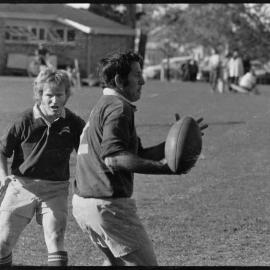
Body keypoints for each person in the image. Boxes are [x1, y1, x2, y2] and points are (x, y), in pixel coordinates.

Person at [72, 51, 208, 266]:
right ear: (119, 80)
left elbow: (136, 154)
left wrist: (173, 145)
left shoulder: (105, 104)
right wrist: (167, 169)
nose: (143, 80)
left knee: (116, 264)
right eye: (137, 75)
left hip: (85, 204)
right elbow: (114, 158)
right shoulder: (118, 108)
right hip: (107, 205)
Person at [0, 68, 85, 268]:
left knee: (55, 239)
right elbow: (2, 151)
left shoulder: (73, 122)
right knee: (3, 243)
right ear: (40, 95)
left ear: (67, 95)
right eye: (49, 95)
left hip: (55, 190)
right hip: (22, 187)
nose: (55, 100)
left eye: (59, 94)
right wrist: (3, 176)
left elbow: (86, 151)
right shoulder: (25, 120)